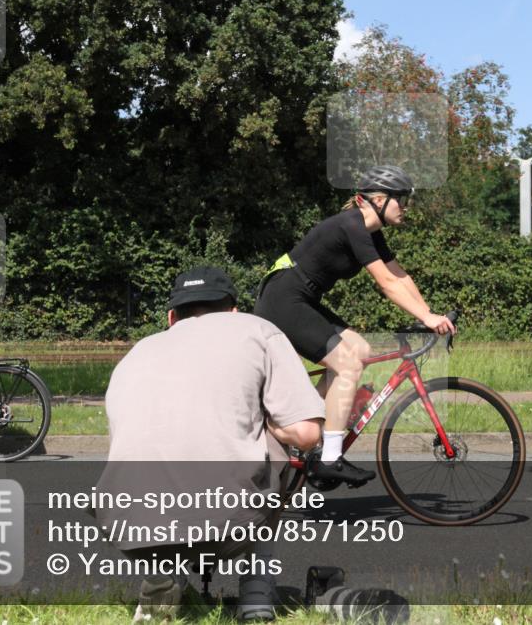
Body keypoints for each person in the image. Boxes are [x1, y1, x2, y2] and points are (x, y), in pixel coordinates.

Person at [99, 265, 324, 622]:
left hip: (127, 526)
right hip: (224, 523)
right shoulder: (259, 330)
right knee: (282, 443)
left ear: (171, 317)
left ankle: (166, 572)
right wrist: (269, 426)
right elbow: (308, 433)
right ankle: (256, 595)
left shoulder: (138, 352)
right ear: (234, 310)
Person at [254, 165, 455, 486]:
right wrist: (427, 318)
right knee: (346, 363)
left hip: (302, 298)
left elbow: (400, 276)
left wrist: (428, 314)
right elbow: (387, 283)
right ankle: (328, 456)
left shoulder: (371, 234)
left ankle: (299, 426)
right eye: (400, 200)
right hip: (284, 299)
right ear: (377, 199)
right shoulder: (353, 225)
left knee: (359, 349)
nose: (405, 207)